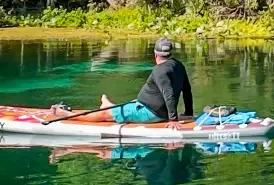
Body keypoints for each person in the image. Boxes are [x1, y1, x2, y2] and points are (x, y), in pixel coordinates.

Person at [47, 38, 194, 125]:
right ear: (170, 53)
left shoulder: (159, 70)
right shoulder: (178, 65)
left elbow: (168, 94)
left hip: (149, 112)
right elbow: (186, 90)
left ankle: (63, 114)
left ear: (155, 54)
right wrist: (188, 112)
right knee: (122, 107)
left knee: (104, 115)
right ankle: (108, 105)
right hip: (146, 107)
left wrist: (173, 120)